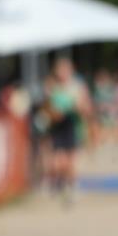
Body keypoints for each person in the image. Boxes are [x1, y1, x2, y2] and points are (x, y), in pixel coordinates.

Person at [43, 57, 90, 205]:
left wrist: (78, 107)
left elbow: (87, 108)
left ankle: (72, 187)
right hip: (57, 128)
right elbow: (47, 109)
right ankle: (63, 183)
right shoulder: (52, 87)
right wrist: (54, 113)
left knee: (71, 162)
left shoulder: (77, 87)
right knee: (58, 163)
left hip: (73, 127)